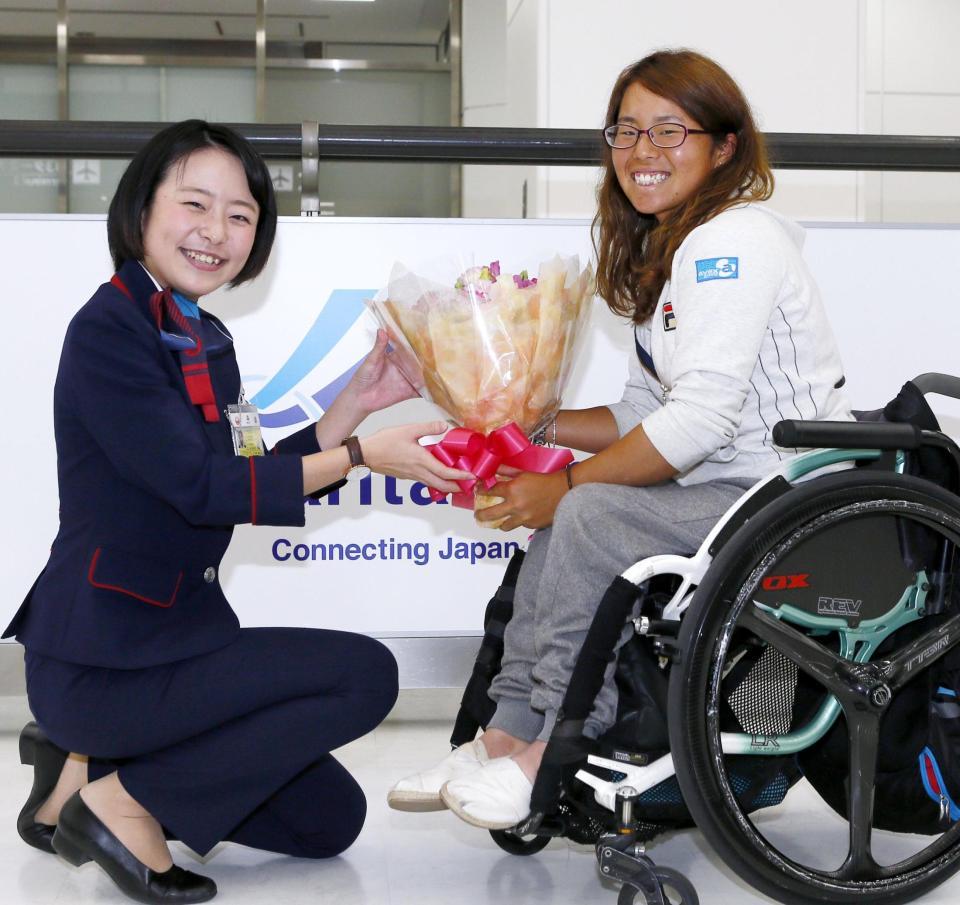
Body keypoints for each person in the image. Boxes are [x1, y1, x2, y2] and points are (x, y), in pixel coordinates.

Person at [4, 119, 473, 904]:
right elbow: (201, 487)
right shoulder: (109, 330)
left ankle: (80, 768)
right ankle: (119, 800)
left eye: (241, 215)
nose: (216, 232)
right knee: (367, 674)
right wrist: (362, 458)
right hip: (104, 661)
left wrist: (352, 407)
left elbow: (240, 473)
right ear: (141, 208)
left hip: (178, 641)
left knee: (329, 821)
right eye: (196, 204)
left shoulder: (200, 332)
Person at [387, 49, 853, 830]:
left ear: (724, 146)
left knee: (588, 513)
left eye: (671, 131)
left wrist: (565, 486)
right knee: (570, 515)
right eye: (627, 130)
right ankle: (506, 733)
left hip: (780, 491)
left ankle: (558, 744)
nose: (644, 151)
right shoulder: (669, 251)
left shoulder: (732, 241)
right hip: (719, 486)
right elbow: (645, 412)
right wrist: (531, 426)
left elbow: (698, 421)